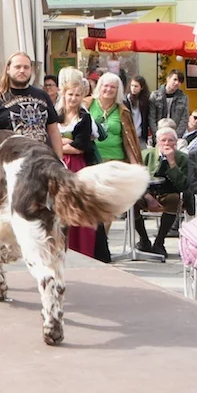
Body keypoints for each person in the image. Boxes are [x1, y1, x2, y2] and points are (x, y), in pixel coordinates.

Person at [58, 67, 108, 262]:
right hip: (58, 165)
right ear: (64, 94)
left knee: (78, 207)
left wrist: (60, 144)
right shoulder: (57, 115)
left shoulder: (84, 117)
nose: (73, 98)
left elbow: (81, 147)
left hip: (77, 166)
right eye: (70, 94)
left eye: (78, 95)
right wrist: (64, 144)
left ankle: (83, 251)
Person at [0, 53, 62, 155]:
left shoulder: (43, 95)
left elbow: (53, 131)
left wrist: (59, 159)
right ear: (8, 69)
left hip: (43, 159)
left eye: (26, 67)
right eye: (17, 67)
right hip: (12, 161)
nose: (22, 70)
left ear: (31, 70)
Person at [139, 126, 188, 255]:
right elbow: (136, 180)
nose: (166, 143)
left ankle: (159, 242)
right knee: (132, 201)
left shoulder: (182, 158)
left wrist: (172, 163)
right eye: (163, 140)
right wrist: (148, 197)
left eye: (170, 140)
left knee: (174, 199)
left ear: (176, 143)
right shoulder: (146, 155)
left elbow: (183, 185)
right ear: (157, 142)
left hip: (168, 193)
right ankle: (144, 240)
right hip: (147, 194)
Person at [89, 72, 141, 166]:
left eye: (113, 87)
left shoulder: (123, 111)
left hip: (116, 162)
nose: (109, 89)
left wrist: (135, 166)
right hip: (91, 160)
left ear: (118, 90)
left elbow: (128, 142)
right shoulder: (86, 105)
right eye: (106, 86)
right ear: (100, 86)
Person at [149, 70, 189, 142]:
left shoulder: (183, 98)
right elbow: (151, 117)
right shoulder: (155, 96)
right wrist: (156, 135)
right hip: (158, 133)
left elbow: (184, 119)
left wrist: (176, 136)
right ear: (168, 79)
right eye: (175, 79)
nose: (177, 83)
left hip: (175, 134)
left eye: (180, 81)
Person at [126, 74, 152, 146]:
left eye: (136, 86)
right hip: (129, 134)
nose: (133, 88)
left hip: (141, 134)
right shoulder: (126, 100)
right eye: (132, 85)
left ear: (142, 87)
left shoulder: (146, 100)